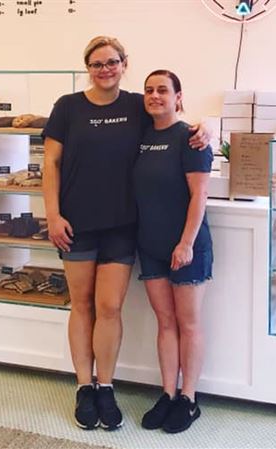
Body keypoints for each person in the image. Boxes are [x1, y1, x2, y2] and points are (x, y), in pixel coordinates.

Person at [42, 37, 210, 431]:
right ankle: (84, 387)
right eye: (97, 64)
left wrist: (207, 129)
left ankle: (106, 387)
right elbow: (50, 163)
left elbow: (175, 121)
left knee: (109, 308)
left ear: (123, 64)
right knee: (81, 305)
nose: (105, 69)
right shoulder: (68, 107)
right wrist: (52, 215)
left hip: (121, 226)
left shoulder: (137, 104)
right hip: (75, 225)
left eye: (112, 62)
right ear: (87, 67)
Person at [133, 69, 213, 433]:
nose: (154, 96)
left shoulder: (191, 138)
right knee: (165, 322)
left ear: (178, 97)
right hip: (150, 245)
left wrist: (186, 243)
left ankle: (188, 399)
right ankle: (167, 394)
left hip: (187, 247)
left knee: (188, 323)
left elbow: (200, 195)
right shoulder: (141, 135)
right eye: (149, 90)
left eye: (163, 90)